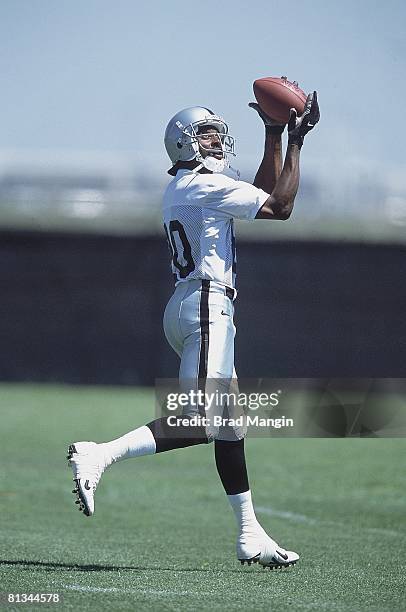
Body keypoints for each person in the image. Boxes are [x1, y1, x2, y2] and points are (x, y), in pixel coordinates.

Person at [67, 91, 320, 569]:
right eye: (206, 133)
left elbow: (264, 194)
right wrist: (297, 142)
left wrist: (272, 133)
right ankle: (99, 456)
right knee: (200, 420)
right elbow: (281, 206)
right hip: (207, 306)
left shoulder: (193, 186)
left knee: (228, 426)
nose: (217, 138)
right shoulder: (202, 186)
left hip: (192, 305)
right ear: (185, 144)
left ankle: (250, 535)